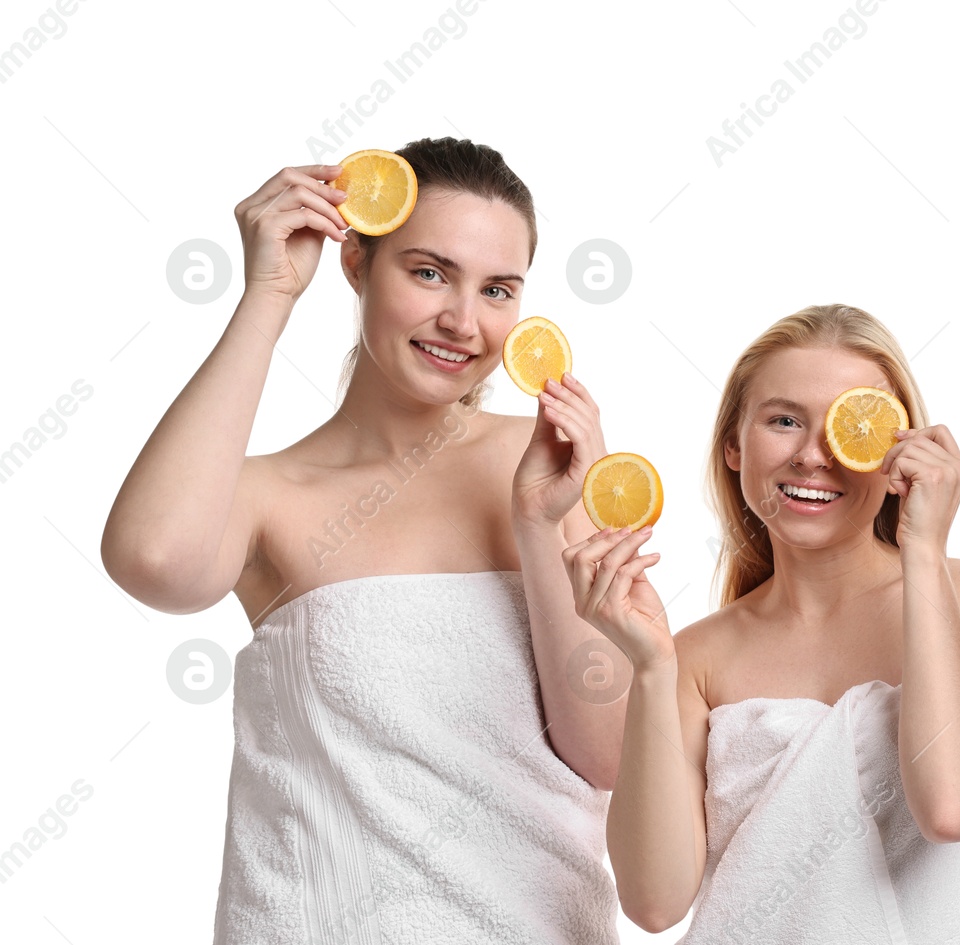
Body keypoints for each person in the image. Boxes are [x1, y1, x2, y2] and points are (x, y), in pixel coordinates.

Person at [101, 137, 625, 944]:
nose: (462, 319)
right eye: (427, 272)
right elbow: (152, 560)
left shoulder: (548, 465)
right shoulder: (272, 495)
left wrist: (538, 525)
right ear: (356, 265)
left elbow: (609, 755)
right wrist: (269, 295)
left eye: (497, 289)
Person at [561, 304, 960, 942]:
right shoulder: (695, 658)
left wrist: (925, 549)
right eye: (784, 421)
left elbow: (953, 807)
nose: (813, 456)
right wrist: (649, 668)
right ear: (734, 444)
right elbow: (654, 902)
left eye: (852, 426)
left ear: (899, 451)